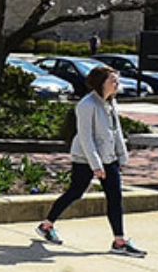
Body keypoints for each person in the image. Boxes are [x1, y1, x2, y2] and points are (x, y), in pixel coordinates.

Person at [38, 64, 144, 256]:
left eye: (116, 79)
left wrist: (122, 156)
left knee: (115, 197)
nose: (117, 82)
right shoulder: (86, 105)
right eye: (112, 79)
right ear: (100, 82)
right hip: (85, 158)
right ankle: (47, 225)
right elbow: (86, 138)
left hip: (108, 157)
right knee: (75, 193)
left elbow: (117, 130)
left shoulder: (111, 102)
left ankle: (119, 241)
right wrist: (96, 165)